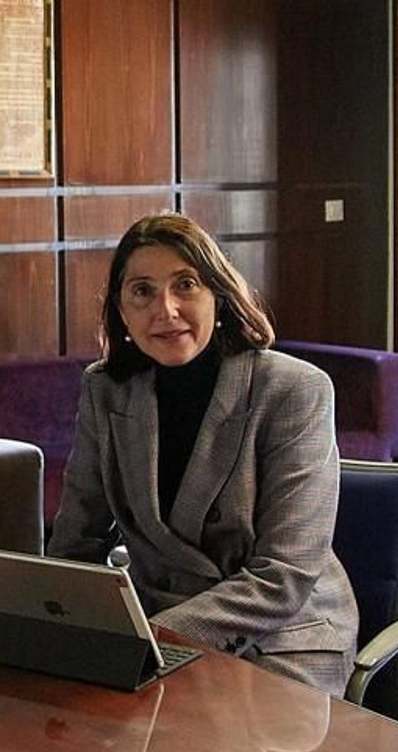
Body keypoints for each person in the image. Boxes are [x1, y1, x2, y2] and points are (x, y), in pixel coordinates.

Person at [47, 213, 358, 693]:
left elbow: (284, 577)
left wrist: (159, 638)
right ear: (121, 310)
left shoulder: (294, 390)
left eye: (185, 285)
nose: (165, 310)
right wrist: (47, 617)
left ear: (220, 294)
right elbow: (77, 541)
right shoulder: (106, 390)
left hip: (277, 641)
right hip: (152, 629)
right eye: (142, 291)